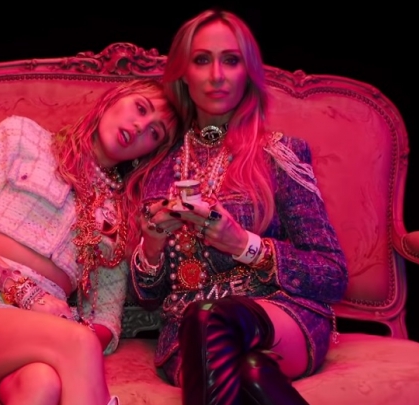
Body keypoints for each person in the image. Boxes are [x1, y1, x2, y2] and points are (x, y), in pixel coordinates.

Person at [127, 9, 349, 405]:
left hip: (280, 315)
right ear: (183, 73)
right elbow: (146, 298)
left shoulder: (279, 153)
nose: (217, 75)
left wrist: (245, 245)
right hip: (186, 333)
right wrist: (152, 246)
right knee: (248, 370)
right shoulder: (157, 166)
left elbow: (331, 274)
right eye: (202, 60)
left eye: (230, 60)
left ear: (248, 72)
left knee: (212, 317)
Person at [0, 79, 179, 405]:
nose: (140, 127)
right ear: (114, 98)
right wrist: (30, 297)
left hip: (40, 335)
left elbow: (105, 315)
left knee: (42, 386)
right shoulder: (21, 137)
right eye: (140, 108)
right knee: (79, 342)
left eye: (154, 133)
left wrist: (68, 330)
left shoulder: (119, 214)